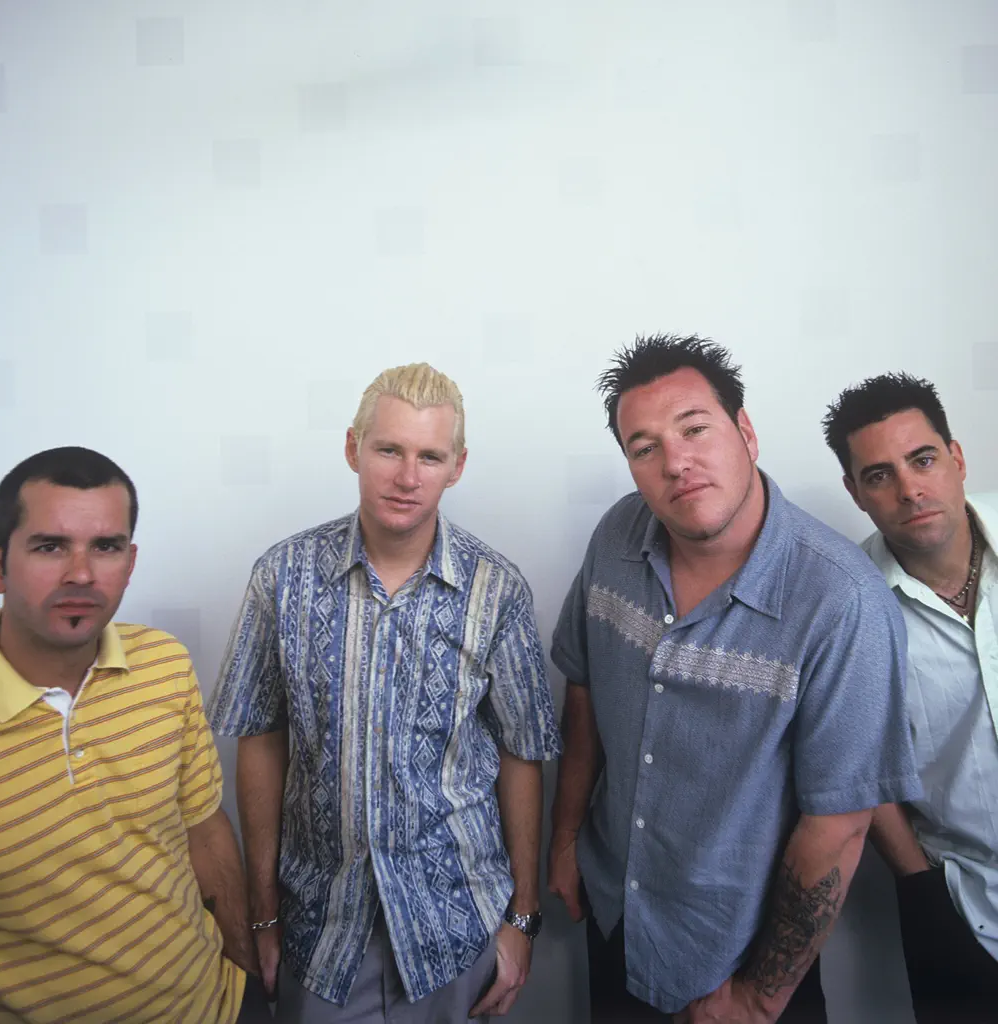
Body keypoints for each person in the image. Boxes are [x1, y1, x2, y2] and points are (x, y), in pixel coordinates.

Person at [547, 334, 923, 1024]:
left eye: (694, 429)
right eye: (644, 447)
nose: (675, 462)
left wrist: (758, 999)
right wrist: (567, 838)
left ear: (745, 431)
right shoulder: (617, 535)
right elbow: (584, 687)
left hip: (734, 960)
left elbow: (839, 823)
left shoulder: (842, 601)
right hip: (614, 913)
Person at [207, 362, 561, 1023]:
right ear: (354, 449)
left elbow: (523, 753)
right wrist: (262, 913)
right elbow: (259, 740)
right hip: (321, 931)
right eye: (389, 450)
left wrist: (522, 918)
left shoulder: (497, 590)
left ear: (456, 467)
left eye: (430, 456)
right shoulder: (282, 577)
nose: (407, 477)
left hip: (458, 928)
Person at [0, 446, 267, 1023]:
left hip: (221, 1005)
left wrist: (245, 967)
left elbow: (204, 828)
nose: (81, 574)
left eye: (105, 547)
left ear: (130, 563)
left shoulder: (164, 662)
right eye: (50, 546)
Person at [823, 372, 998, 1024]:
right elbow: (860, 763)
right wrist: (921, 887)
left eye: (922, 460)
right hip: (967, 911)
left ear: (956, 458)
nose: (909, 489)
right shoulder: (847, 606)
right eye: (879, 475)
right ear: (855, 492)